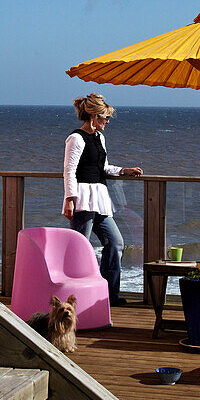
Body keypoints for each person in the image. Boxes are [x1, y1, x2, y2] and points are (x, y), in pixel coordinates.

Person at [62, 93, 142, 306]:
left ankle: (108, 296)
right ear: (94, 116)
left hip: (100, 199)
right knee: (80, 248)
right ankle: (74, 298)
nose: (108, 121)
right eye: (105, 117)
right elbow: (69, 171)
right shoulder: (76, 138)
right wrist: (69, 199)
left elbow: (103, 167)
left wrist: (124, 171)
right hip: (82, 198)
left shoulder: (100, 138)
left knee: (116, 243)